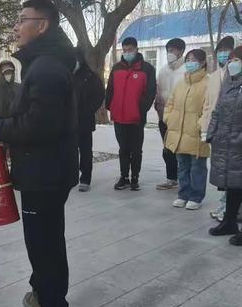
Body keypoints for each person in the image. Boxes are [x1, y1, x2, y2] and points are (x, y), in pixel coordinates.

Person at [0, 0, 78, 307]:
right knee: (45, 241)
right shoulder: (43, 64)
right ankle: (44, 296)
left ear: (43, 26)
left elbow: (39, 125)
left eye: (22, 19)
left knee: (44, 245)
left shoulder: (46, 68)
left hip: (45, 174)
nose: (16, 26)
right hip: (46, 170)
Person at [106, 37, 156, 191]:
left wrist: (141, 110)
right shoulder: (116, 68)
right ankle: (124, 177)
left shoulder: (147, 69)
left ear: (136, 49)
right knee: (123, 149)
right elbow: (110, 90)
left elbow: (150, 92)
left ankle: (135, 178)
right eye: (125, 50)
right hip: (119, 117)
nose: (127, 52)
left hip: (136, 118)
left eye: (130, 50)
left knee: (136, 149)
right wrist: (110, 106)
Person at [164, 49, 209, 210]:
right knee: (182, 166)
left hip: (196, 133)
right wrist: (168, 118)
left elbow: (209, 109)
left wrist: (200, 126)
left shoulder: (207, 83)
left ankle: (196, 196)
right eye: (188, 59)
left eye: (194, 59)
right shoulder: (181, 83)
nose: (190, 62)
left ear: (203, 62)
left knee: (197, 167)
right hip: (179, 132)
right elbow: (170, 104)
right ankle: (183, 194)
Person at [207, 46, 242, 244]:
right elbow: (217, 110)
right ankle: (229, 222)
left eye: (237, 59)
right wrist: (212, 133)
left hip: (238, 143)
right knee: (233, 185)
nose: (232, 63)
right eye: (231, 59)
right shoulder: (229, 82)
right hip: (227, 142)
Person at [201, 36, 235, 221]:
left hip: (234, 132)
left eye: (227, 50)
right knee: (221, 171)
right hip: (216, 130)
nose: (223, 54)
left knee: (233, 172)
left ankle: (231, 209)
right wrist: (205, 128)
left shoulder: (237, 74)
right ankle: (224, 205)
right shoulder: (213, 77)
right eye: (220, 51)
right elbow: (207, 105)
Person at [154, 38, 186, 190]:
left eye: (173, 50)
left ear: (181, 51)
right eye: (168, 51)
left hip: (181, 119)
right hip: (164, 117)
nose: (170, 54)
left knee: (181, 150)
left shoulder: (187, 70)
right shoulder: (163, 70)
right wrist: (158, 104)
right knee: (167, 150)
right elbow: (159, 90)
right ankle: (171, 178)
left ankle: (185, 180)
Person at [73, 52, 105, 192]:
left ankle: (85, 178)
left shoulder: (91, 77)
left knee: (85, 151)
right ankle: (72, 176)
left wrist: (89, 109)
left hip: (85, 121)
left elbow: (99, 95)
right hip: (69, 122)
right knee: (70, 151)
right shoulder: (67, 75)